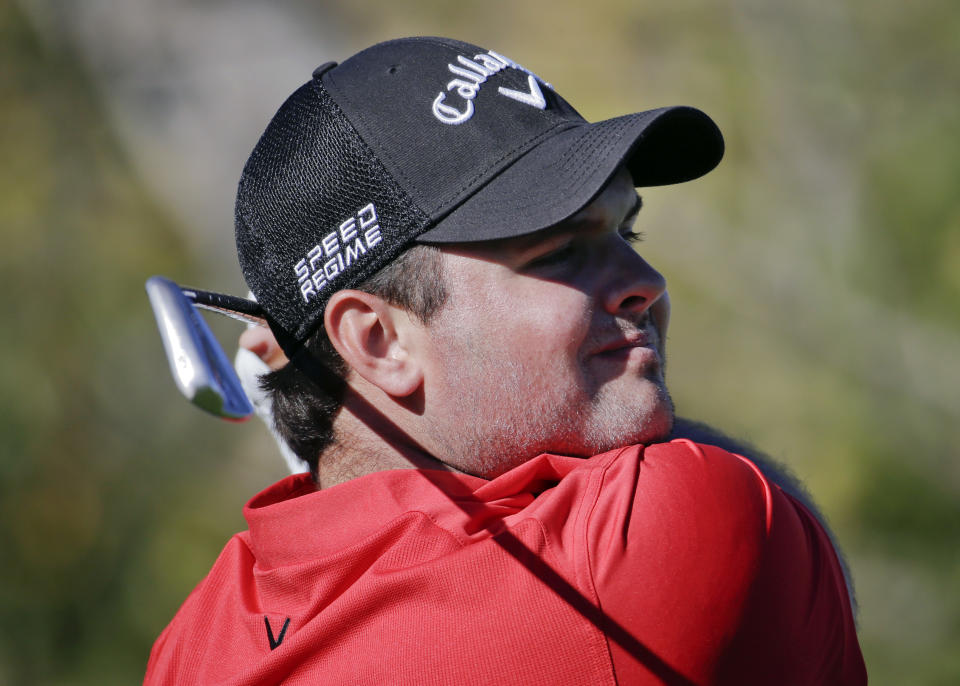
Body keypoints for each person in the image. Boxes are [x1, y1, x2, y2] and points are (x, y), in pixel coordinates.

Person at [144, 37, 866, 684]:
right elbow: (757, 512)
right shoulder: (648, 539)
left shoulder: (190, 648)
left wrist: (323, 430)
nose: (645, 282)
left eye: (628, 232)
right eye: (557, 250)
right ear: (378, 341)